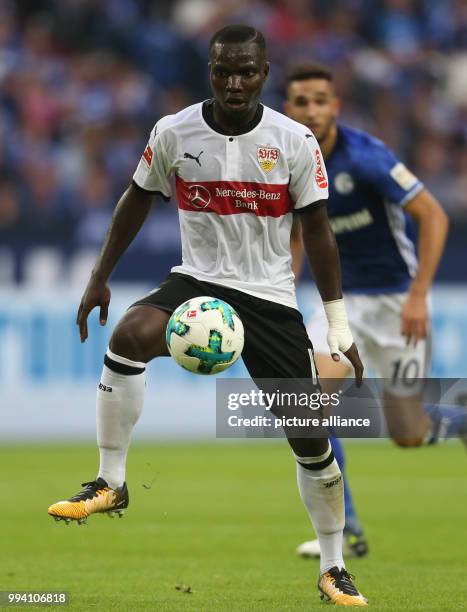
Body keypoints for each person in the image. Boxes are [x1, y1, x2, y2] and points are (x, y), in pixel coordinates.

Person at [48, 26, 368, 605]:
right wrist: (99, 277)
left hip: (269, 298)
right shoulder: (173, 131)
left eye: (246, 71)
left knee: (310, 437)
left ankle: (332, 565)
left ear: (264, 73)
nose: (235, 82)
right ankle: (111, 482)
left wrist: (337, 326)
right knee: (127, 335)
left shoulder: (293, 141)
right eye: (224, 71)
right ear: (211, 71)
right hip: (198, 282)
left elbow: (318, 234)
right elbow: (136, 197)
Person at [284, 63, 460, 558]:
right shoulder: (293, 162)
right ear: (289, 109)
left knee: (408, 433)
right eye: (302, 101)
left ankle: (459, 419)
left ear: (335, 106)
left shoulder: (366, 159)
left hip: (397, 304)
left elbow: (433, 215)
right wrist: (283, 298)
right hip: (341, 305)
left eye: (321, 100)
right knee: (309, 405)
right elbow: (299, 235)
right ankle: (344, 530)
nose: (312, 109)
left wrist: (420, 294)